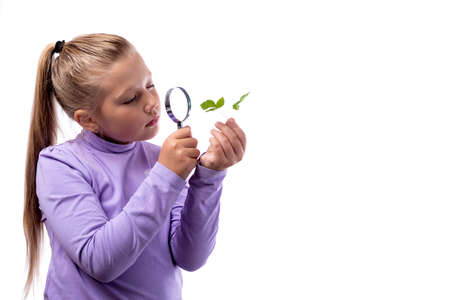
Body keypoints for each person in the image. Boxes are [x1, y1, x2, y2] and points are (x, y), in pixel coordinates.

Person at [23, 33, 247, 299]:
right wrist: (166, 176)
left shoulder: (159, 159)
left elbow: (191, 257)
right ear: (89, 120)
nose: (152, 103)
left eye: (150, 85)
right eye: (130, 99)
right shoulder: (60, 165)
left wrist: (209, 176)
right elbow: (100, 262)